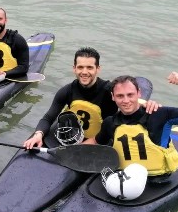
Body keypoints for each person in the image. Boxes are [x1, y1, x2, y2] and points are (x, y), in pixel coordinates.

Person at [22, 47, 159, 149]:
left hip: (100, 139)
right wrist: (38, 134)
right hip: (72, 135)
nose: (84, 72)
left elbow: (128, 101)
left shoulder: (109, 90)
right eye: (80, 67)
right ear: (74, 69)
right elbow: (48, 117)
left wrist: (147, 104)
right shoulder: (67, 91)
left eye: (89, 67)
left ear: (98, 69)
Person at [88, 73, 178, 176]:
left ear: (139, 93)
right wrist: (74, 150)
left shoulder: (160, 114)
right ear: (113, 97)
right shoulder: (110, 123)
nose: (126, 100)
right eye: (120, 96)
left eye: (130, 95)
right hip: (125, 177)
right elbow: (95, 141)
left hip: (159, 179)